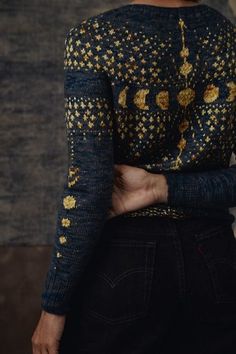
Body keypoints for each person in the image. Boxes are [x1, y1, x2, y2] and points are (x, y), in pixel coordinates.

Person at [32, 0, 236, 353]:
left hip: (125, 265)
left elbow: (91, 184)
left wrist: (54, 304)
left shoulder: (94, 40)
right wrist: (164, 188)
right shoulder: (230, 39)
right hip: (216, 262)